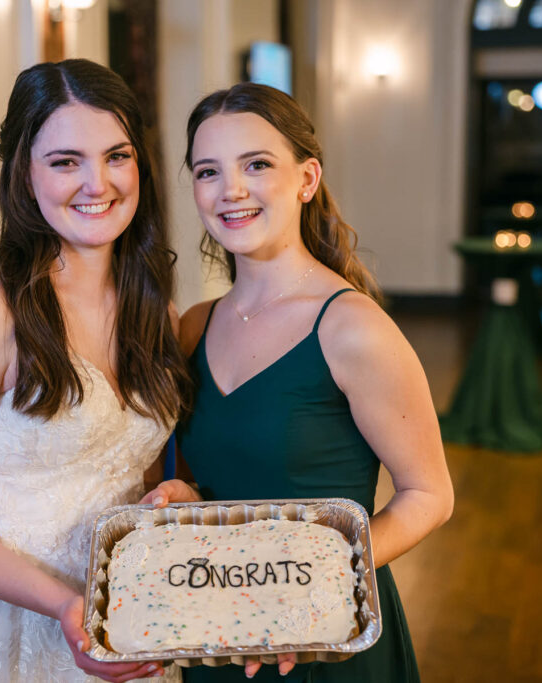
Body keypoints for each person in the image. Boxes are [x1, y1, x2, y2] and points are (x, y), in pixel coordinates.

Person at [0, 59, 189, 683]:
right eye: (65, 161)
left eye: (117, 155)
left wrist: (174, 500)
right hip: (4, 631)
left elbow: (136, 475)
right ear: (25, 175)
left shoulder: (157, 309)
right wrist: (62, 605)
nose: (97, 183)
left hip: (123, 620)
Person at [143, 83, 455, 682]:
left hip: (322, 635)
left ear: (307, 178)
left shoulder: (352, 328)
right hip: (220, 631)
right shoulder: (192, 326)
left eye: (256, 164)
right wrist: (185, 496)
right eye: (208, 172)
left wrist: (311, 584)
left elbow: (429, 496)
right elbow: (205, 472)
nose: (231, 190)